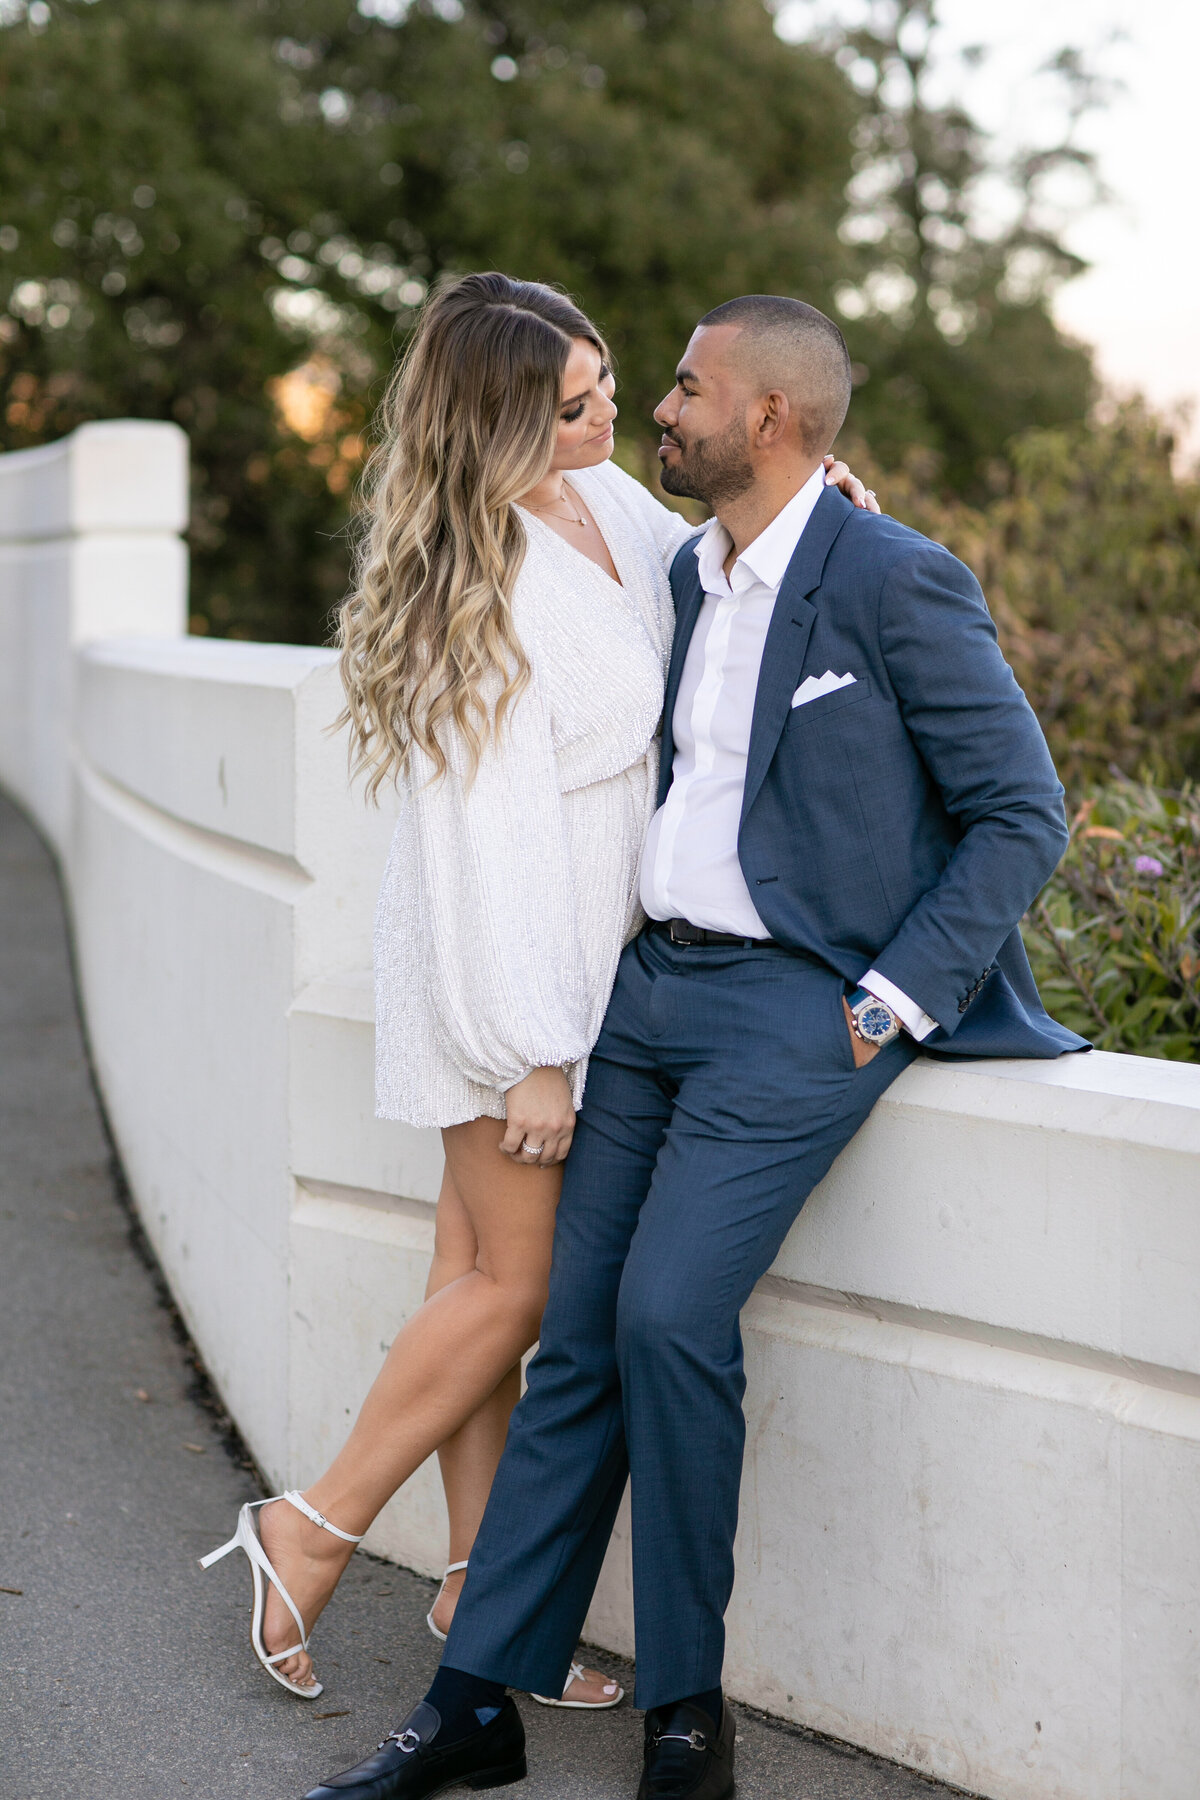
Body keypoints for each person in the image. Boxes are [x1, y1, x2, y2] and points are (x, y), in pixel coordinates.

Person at [302, 294, 1087, 1800]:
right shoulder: (686, 565)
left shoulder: (895, 579)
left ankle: (686, 1714)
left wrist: (889, 1000)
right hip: (642, 1002)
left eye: (683, 390)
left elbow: (1022, 814)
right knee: (579, 1333)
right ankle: (475, 1704)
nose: (658, 409)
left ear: (770, 421)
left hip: (799, 1010)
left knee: (667, 1318)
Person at [200, 274, 876, 1712]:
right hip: (502, 968)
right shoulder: (482, 574)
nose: (613, 418)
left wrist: (831, 502)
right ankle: (304, 1530)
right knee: (521, 1293)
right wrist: (530, 1055)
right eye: (575, 408)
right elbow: (484, 836)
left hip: (591, 963)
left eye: (614, 387)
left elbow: (719, 558)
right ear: (500, 424)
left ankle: (475, 1591)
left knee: (473, 1278)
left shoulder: (610, 509)